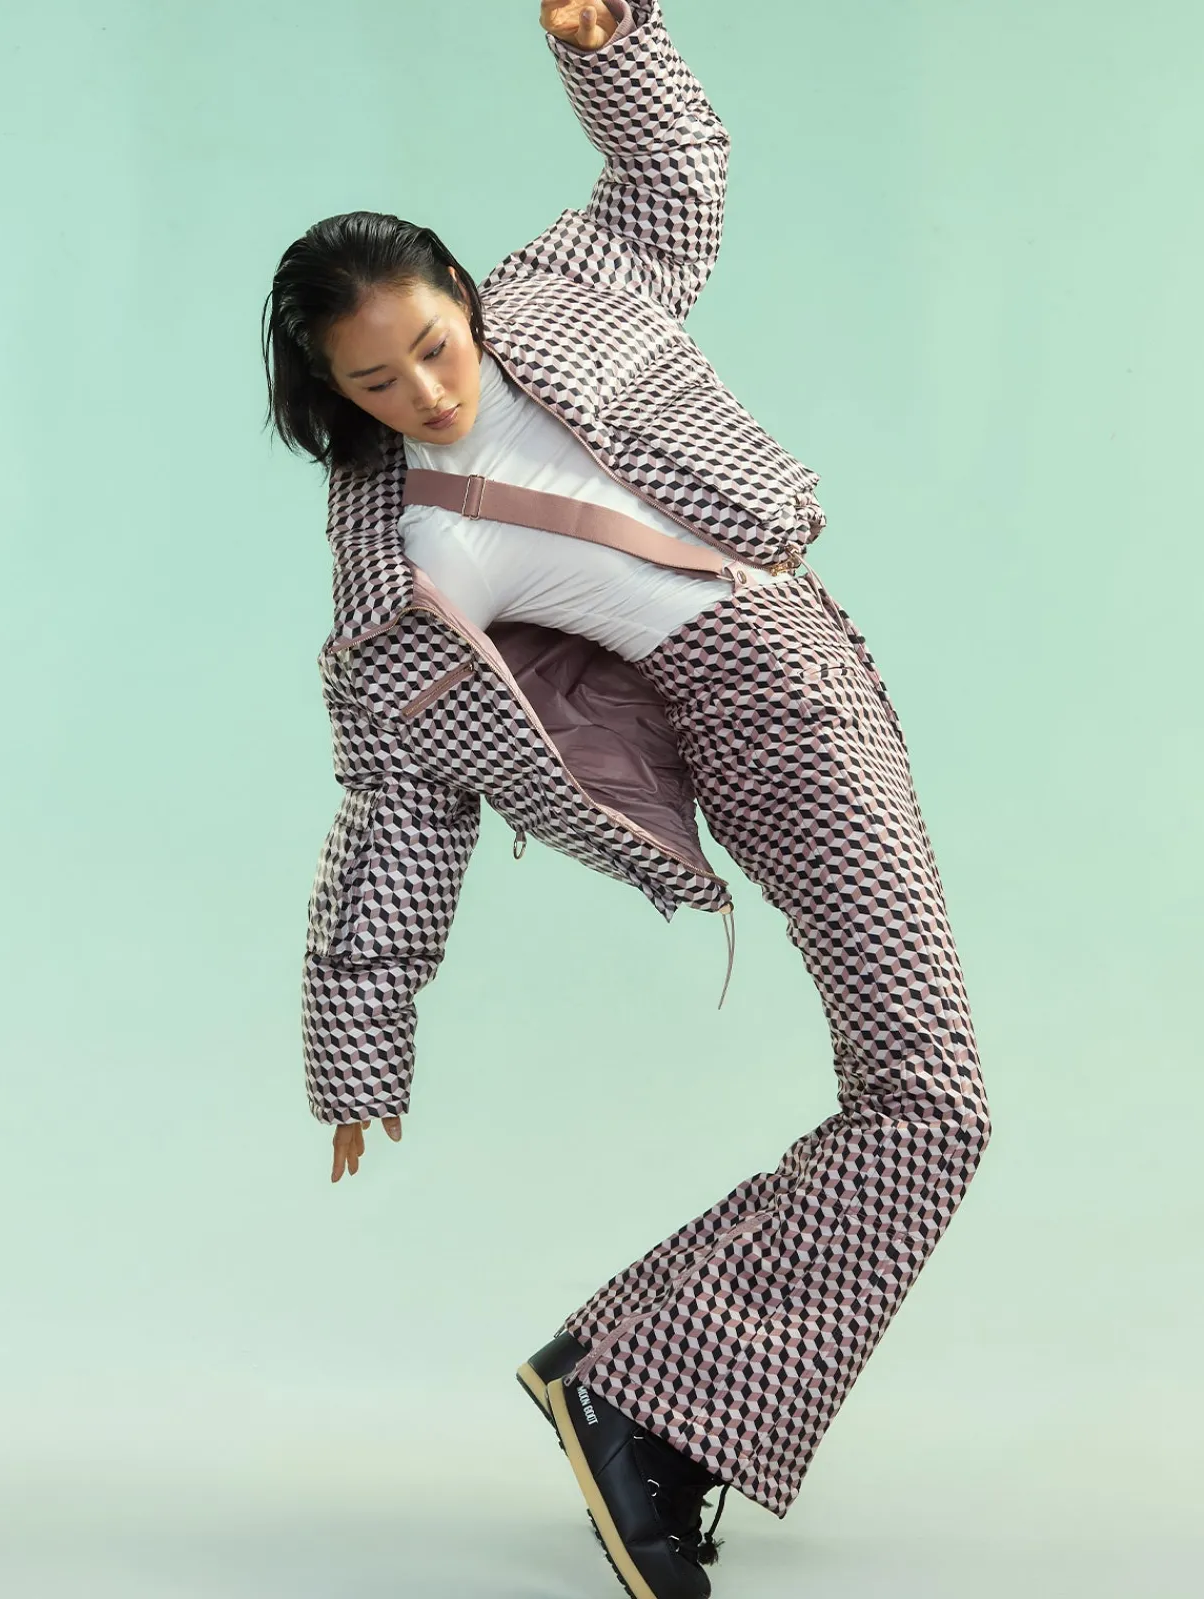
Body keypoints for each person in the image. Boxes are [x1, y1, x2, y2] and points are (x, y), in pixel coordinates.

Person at [261, 3, 993, 1596]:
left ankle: (620, 1359)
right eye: (376, 381)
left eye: (435, 344)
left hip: (822, 656)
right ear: (329, 391)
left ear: (465, 294)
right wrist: (358, 1040)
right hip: (762, 720)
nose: (426, 390)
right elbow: (396, 801)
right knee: (932, 1099)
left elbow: (673, 170)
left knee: (916, 1091)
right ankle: (639, 1401)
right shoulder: (397, 557)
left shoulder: (571, 293)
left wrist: (607, 43)